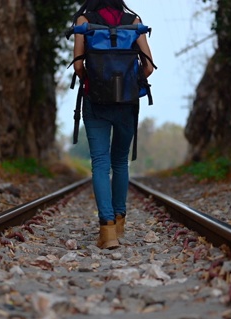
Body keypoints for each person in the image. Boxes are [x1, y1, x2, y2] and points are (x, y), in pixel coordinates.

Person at [71, 0, 155, 249]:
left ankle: (106, 230)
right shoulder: (133, 23)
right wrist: (127, 83)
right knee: (120, 162)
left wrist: (94, 83)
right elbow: (149, 67)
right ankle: (120, 221)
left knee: (100, 162)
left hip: (95, 103)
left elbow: (78, 66)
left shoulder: (83, 22)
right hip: (127, 103)